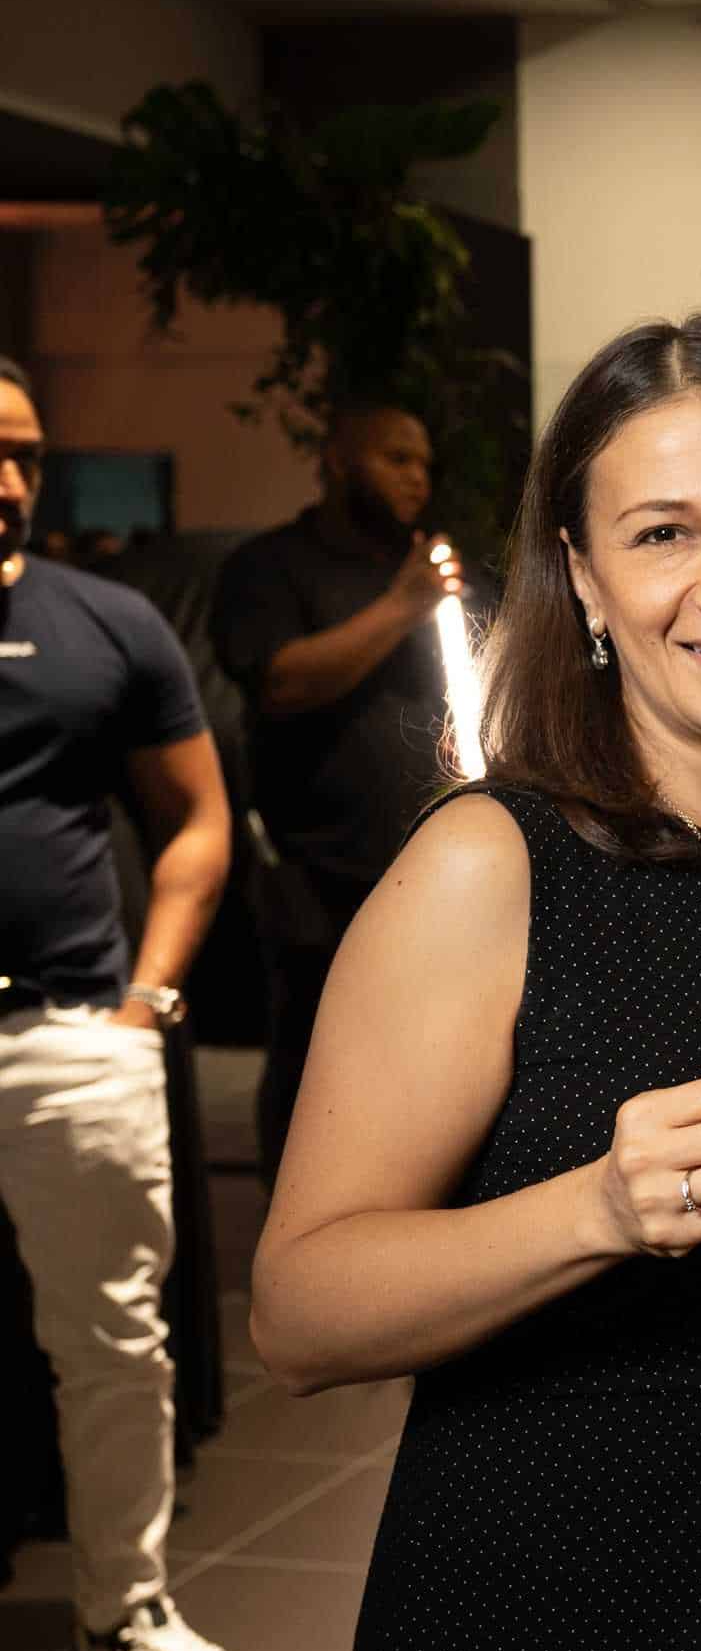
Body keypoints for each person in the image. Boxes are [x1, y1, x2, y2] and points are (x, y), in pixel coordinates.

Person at [250, 316, 701, 1651]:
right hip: (550, 1612)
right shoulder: (492, 865)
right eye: (664, 534)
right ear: (584, 579)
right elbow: (297, 1314)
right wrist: (601, 1210)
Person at [0, 355, 278, 1651]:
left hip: (67, 1032)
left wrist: (147, 1004)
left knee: (112, 1341)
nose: (7, 482)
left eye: (26, 455)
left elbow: (200, 823)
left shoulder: (105, 622)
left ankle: (124, 1619)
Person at [212, 400, 474, 1183]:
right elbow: (281, 683)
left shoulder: (438, 564)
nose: (417, 478)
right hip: (322, 880)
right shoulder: (271, 567)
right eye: (396, 458)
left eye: (425, 463)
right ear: (336, 459)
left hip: (445, 878)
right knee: (313, 1079)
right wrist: (403, 607)